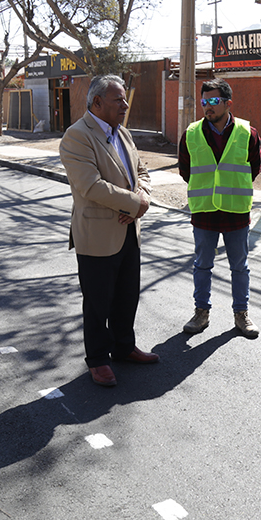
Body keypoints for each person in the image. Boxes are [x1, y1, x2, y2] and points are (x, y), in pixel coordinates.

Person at [59, 74, 159, 387]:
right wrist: (134, 204)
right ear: (97, 102)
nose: (125, 105)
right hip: (98, 236)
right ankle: (98, 360)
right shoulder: (76, 136)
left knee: (127, 296)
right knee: (98, 302)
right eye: (118, 99)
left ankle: (124, 347)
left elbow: (141, 171)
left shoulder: (123, 133)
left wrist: (141, 197)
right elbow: (90, 185)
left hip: (129, 231)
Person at [178, 78, 261, 339]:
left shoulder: (248, 133)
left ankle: (241, 314)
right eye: (204, 102)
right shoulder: (190, 133)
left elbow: (254, 168)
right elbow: (185, 170)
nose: (208, 107)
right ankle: (201, 312)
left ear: (228, 103)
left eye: (213, 101)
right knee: (202, 265)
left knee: (240, 266)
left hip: (236, 212)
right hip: (204, 212)